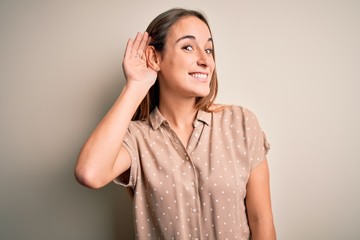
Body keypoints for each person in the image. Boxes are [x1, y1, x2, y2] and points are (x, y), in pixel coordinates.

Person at [75, 8, 276, 240]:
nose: (205, 60)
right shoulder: (137, 138)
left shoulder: (241, 123)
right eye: (188, 47)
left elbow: (262, 221)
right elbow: (90, 173)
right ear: (154, 57)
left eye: (209, 49)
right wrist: (136, 85)